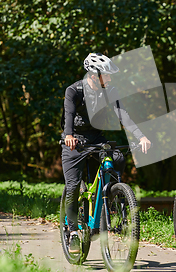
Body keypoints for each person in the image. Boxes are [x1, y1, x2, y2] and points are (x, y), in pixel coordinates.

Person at [61, 52, 151, 253]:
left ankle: (108, 203)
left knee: (116, 159)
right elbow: (69, 114)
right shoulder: (74, 91)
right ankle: (73, 231)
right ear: (93, 75)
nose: (110, 79)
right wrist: (68, 135)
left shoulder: (111, 91)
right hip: (75, 140)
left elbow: (123, 115)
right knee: (74, 185)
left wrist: (140, 136)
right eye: (106, 75)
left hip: (96, 137)